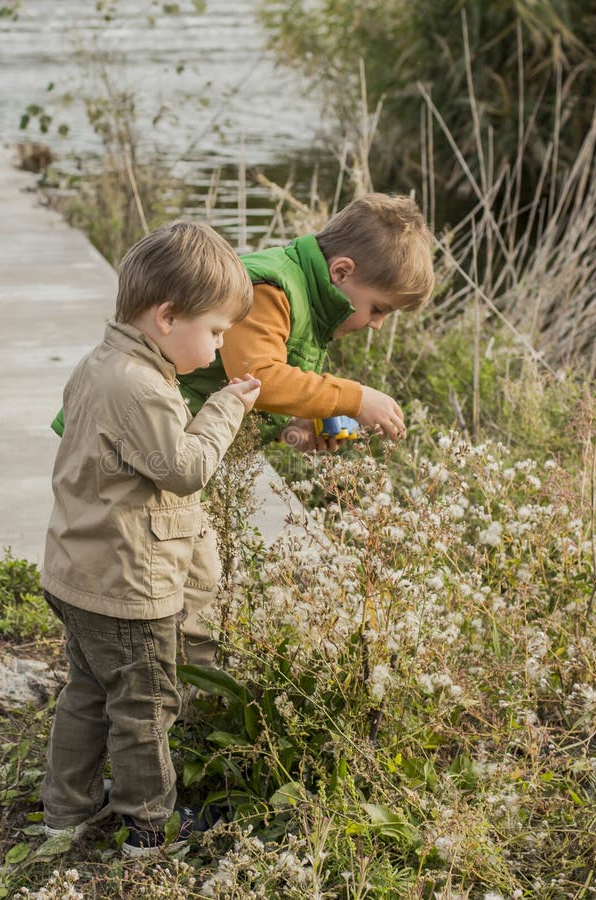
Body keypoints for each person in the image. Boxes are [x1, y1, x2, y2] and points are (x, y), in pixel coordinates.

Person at [40, 221, 260, 856]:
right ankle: (149, 827)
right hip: (126, 588)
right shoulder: (140, 386)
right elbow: (185, 469)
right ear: (167, 317)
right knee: (144, 706)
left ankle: (67, 811)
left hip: (79, 573)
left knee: (87, 691)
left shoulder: (100, 365)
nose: (219, 349)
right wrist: (225, 408)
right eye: (216, 331)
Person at [178, 192, 435, 451]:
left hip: (197, 439)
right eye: (378, 309)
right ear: (341, 271)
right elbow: (258, 378)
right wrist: (356, 399)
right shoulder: (269, 289)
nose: (377, 324)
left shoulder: (309, 301)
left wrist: (291, 427)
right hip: (165, 433)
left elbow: (233, 387)